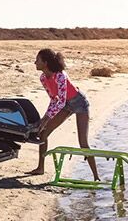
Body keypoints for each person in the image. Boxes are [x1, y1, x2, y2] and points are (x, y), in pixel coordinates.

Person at [29, 48, 100, 181]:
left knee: (83, 143)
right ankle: (40, 168)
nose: (35, 62)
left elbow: (60, 102)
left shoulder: (60, 76)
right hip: (66, 105)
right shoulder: (43, 78)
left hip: (79, 103)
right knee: (43, 133)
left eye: (37, 60)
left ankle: (96, 177)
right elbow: (54, 99)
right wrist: (45, 119)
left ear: (45, 62)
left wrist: (46, 118)